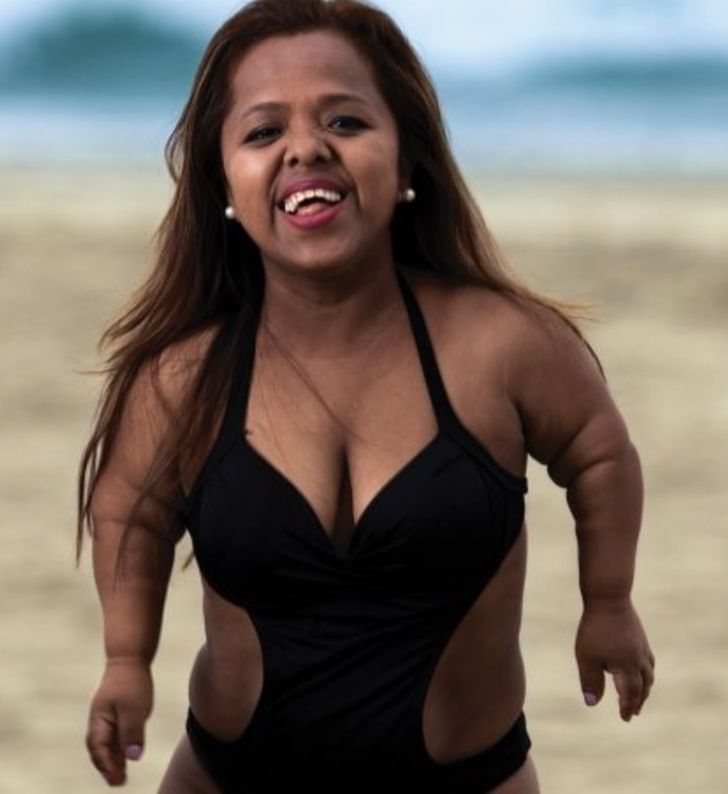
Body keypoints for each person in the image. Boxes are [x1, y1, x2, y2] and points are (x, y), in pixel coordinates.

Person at [76, 0, 655, 791]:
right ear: (223, 183)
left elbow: (599, 453)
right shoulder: (185, 377)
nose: (305, 148)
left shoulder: (502, 344)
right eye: (262, 132)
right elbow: (131, 514)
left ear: (407, 159)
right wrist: (125, 659)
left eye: (345, 122)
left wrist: (609, 600)